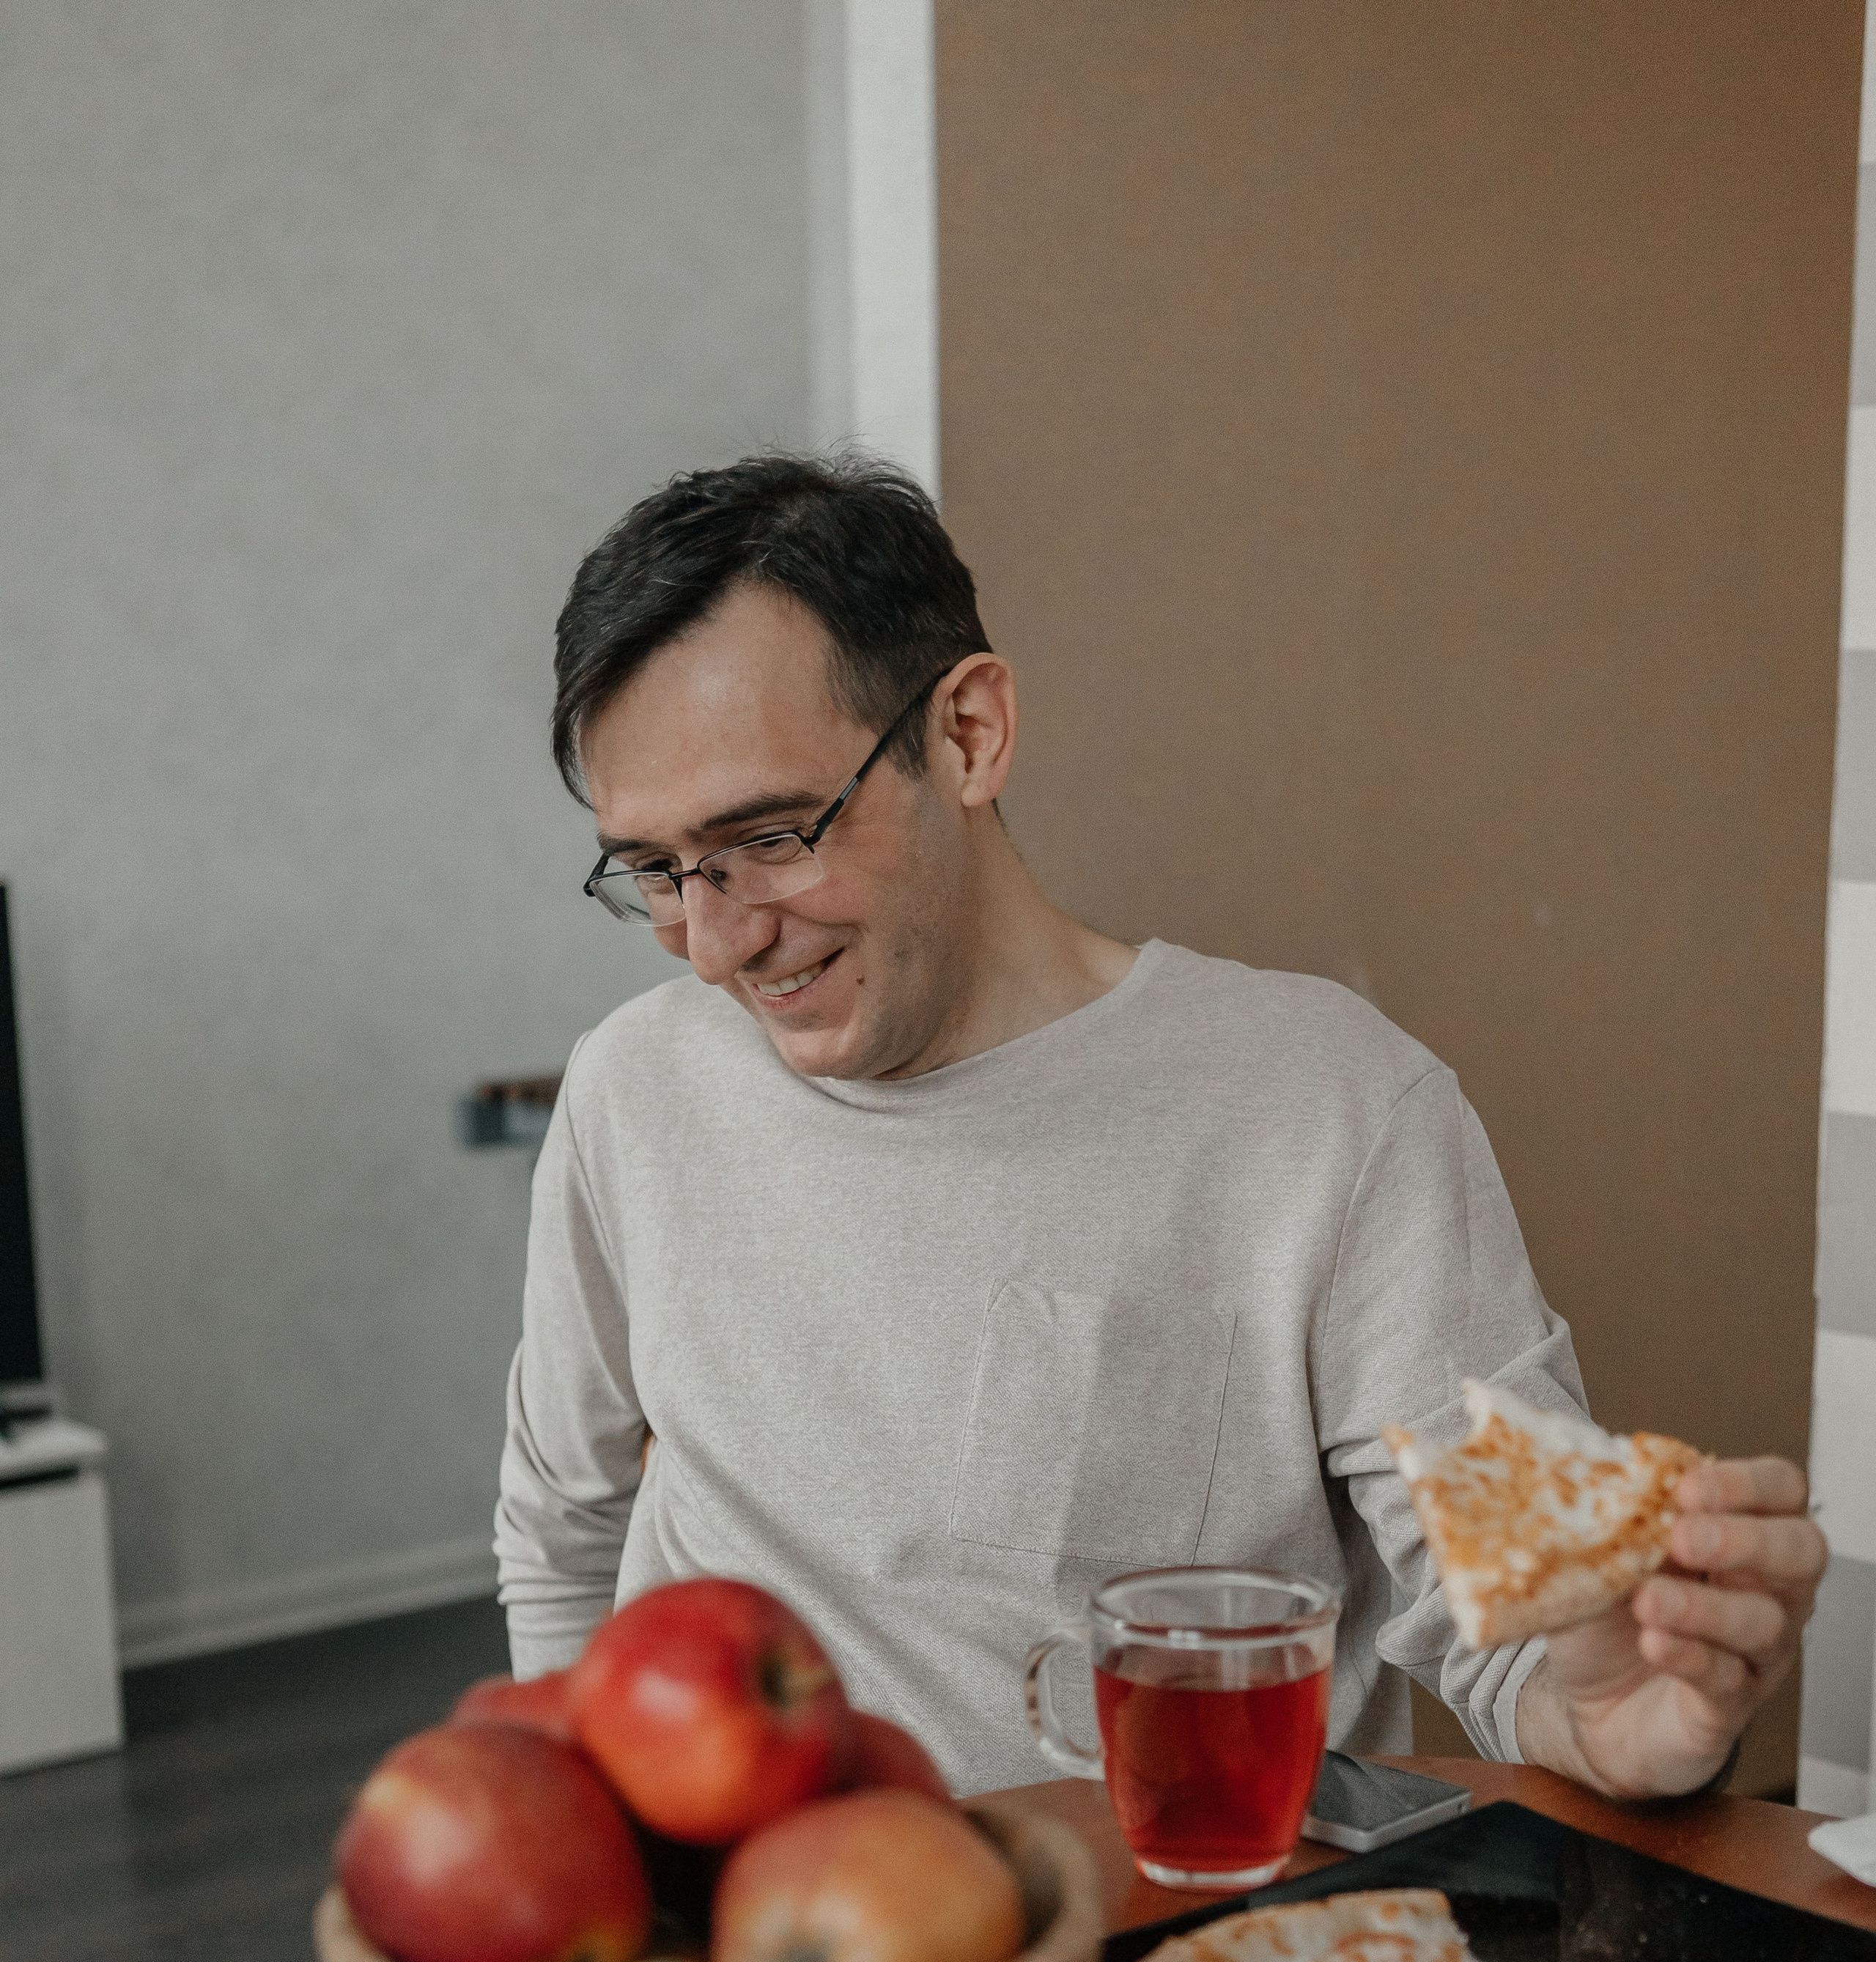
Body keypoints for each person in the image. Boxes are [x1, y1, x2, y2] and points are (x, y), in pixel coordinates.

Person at [496, 451, 1823, 1801]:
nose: (714, 944)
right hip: (751, 1952)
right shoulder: (634, 1089)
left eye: (772, 836)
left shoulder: (1327, 1108)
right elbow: (562, 1528)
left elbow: (1503, 1639)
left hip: (1174, 1936)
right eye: (656, 872)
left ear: (968, 734)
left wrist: (1614, 1722)